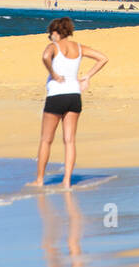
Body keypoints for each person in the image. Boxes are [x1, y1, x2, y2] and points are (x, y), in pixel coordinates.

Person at [29, 17, 108, 189]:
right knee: (70, 140)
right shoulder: (79, 48)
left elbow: (45, 57)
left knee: (46, 140)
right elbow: (103, 58)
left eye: (50, 34)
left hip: (57, 95)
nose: (50, 38)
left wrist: (53, 73)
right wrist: (87, 76)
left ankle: (40, 180)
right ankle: (66, 181)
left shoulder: (54, 47)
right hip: (74, 95)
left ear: (56, 33)